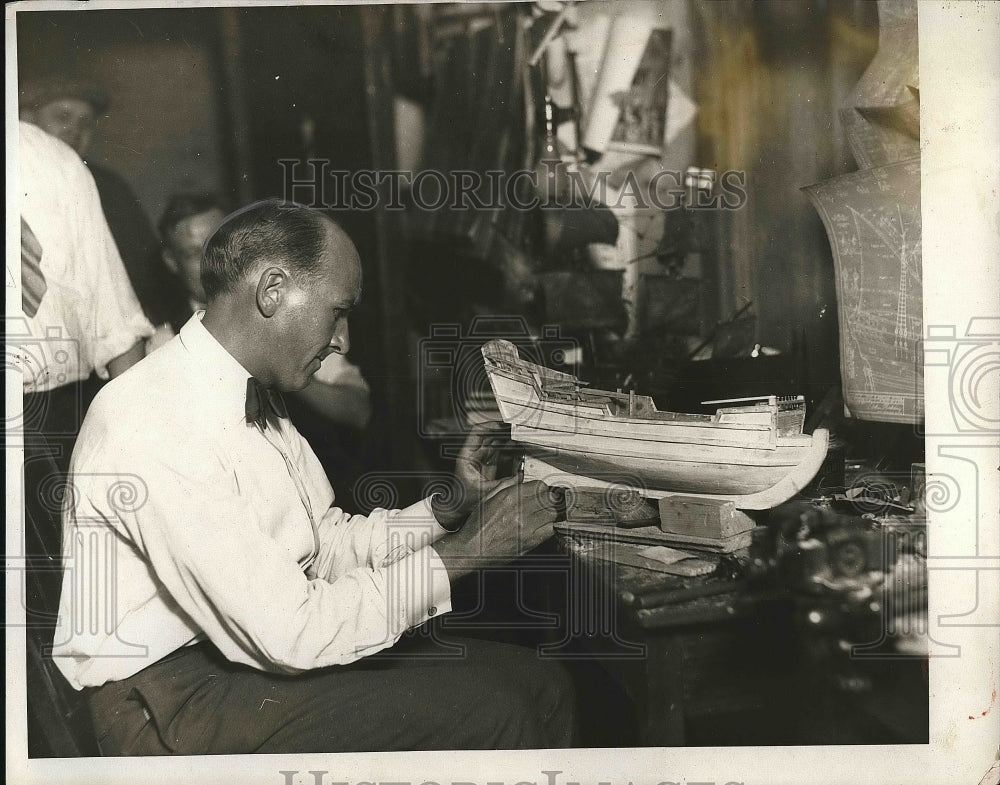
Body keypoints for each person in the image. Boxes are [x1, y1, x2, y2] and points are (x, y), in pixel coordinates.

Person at [51, 199, 574, 754]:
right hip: (164, 702)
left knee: (542, 685)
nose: (343, 340)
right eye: (338, 311)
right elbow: (293, 632)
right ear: (272, 289)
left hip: (233, 658)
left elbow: (323, 546)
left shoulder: (249, 391)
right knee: (499, 712)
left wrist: (451, 509)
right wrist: (470, 551)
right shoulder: (156, 420)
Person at [17, 120, 155, 624]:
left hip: (55, 429)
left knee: (76, 615)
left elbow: (115, 322)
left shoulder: (50, 161)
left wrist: (145, 456)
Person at [158, 192, 374, 502]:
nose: (213, 259)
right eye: (193, 252)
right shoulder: (160, 338)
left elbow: (359, 411)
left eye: (218, 242)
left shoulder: (297, 315)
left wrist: (285, 364)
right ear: (171, 261)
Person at [18, 76, 189, 342]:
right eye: (62, 117)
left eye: (85, 124)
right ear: (26, 120)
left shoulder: (109, 189)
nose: (74, 131)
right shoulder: (14, 182)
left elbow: (151, 276)